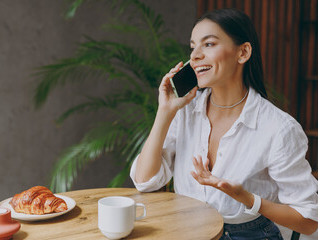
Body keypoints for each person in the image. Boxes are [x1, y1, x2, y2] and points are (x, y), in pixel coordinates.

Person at [129, 8, 318, 239]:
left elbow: (308, 221)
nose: (195, 56)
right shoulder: (185, 112)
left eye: (208, 44)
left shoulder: (279, 129)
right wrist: (165, 111)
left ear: (243, 52)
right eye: (193, 47)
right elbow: (144, 182)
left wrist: (248, 199)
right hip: (185, 229)